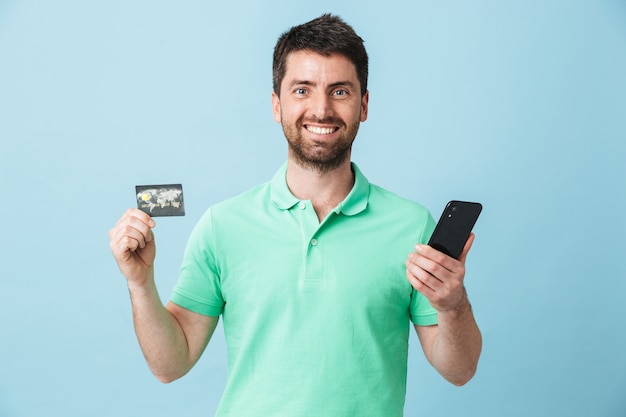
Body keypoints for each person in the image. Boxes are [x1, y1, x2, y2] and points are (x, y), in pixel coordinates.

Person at [109, 13, 482, 417]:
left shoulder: (412, 226)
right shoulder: (222, 227)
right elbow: (170, 365)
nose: (321, 110)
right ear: (277, 104)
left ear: (364, 105)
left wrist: (452, 305)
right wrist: (140, 283)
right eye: (302, 90)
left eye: (340, 91)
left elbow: (459, 371)